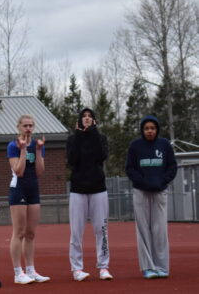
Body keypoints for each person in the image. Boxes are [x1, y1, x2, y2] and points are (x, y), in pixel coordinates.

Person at [126, 115, 177, 279]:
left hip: (159, 191)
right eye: (147, 128)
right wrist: (142, 182)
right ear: (142, 130)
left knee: (159, 229)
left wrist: (162, 181)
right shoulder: (135, 146)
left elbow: (172, 166)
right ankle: (148, 267)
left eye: (152, 128)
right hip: (141, 192)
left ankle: (162, 267)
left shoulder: (164, 145)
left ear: (157, 130)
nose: (149, 131)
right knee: (143, 230)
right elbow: (130, 168)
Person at [66, 108, 113, 281]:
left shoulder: (100, 138)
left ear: (94, 121)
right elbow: (72, 160)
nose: (86, 119)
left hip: (98, 189)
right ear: (79, 121)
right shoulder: (72, 139)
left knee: (102, 229)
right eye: (84, 117)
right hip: (78, 190)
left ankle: (104, 267)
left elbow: (101, 156)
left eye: (90, 117)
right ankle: (77, 269)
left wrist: (92, 133)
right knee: (76, 231)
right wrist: (79, 135)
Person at [7, 114, 50, 284]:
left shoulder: (38, 145)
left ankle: (31, 270)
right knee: (19, 232)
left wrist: (38, 151)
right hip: (18, 190)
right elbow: (19, 170)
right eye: (25, 125)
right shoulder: (13, 145)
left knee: (31, 233)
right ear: (18, 127)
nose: (28, 128)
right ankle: (18, 272)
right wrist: (23, 149)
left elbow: (39, 172)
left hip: (33, 190)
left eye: (31, 125)